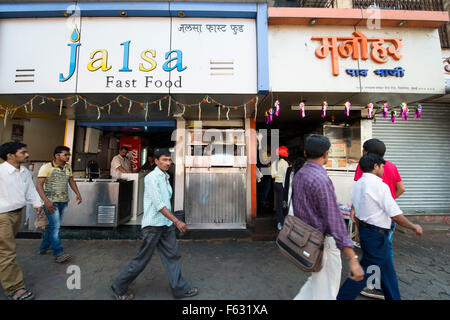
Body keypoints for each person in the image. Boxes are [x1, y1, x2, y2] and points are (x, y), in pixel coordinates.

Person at [111, 148, 198, 300]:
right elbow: (159, 204)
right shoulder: (152, 178)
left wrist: (172, 221)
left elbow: (165, 202)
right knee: (142, 259)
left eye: (169, 160)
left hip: (165, 224)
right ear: (156, 161)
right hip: (153, 226)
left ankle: (179, 289)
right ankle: (118, 287)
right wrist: (177, 221)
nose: (167, 163)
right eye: (164, 160)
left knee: (173, 256)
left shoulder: (165, 176)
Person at [337, 154, 423, 300]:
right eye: (382, 166)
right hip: (376, 235)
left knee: (386, 269)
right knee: (363, 271)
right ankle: (342, 297)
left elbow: (356, 212)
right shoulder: (379, 185)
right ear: (375, 166)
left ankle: (394, 297)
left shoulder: (358, 184)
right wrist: (413, 226)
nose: (383, 169)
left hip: (367, 232)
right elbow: (395, 214)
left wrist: (358, 229)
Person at [291, 135, 364, 300]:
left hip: (309, 240)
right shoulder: (321, 179)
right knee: (327, 292)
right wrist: (352, 258)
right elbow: (334, 220)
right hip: (324, 243)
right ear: (325, 154)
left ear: (305, 152)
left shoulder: (300, 174)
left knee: (316, 286)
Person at [354, 138, 405, 300]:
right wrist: (388, 204)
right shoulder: (391, 166)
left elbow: (359, 196)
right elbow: (401, 189)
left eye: (363, 150)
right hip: (389, 219)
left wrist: (356, 227)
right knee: (385, 251)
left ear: (368, 152)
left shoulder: (364, 167)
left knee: (371, 252)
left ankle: (373, 286)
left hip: (371, 221)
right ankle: (387, 287)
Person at [0, 142, 44, 300]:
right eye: (23, 152)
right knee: (7, 252)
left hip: (17, 214)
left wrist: (37, 204)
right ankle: (15, 288)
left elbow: (31, 190)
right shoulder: (1, 172)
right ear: (10, 156)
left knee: (4, 250)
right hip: (2, 216)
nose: (27, 154)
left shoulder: (24, 172)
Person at [36, 146, 82, 263]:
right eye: (65, 154)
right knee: (55, 227)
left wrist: (77, 193)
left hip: (63, 201)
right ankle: (58, 253)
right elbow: (39, 185)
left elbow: (71, 181)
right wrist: (46, 201)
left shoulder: (67, 167)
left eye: (68, 155)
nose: (68, 157)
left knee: (52, 226)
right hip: (51, 202)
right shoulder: (46, 167)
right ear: (57, 156)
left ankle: (43, 248)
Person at [271, 146, 290, 230]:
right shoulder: (286, 164)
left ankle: (280, 222)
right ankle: (283, 222)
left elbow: (273, 175)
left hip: (277, 183)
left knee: (278, 203)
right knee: (284, 202)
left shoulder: (274, 163)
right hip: (283, 184)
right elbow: (287, 175)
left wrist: (278, 175)